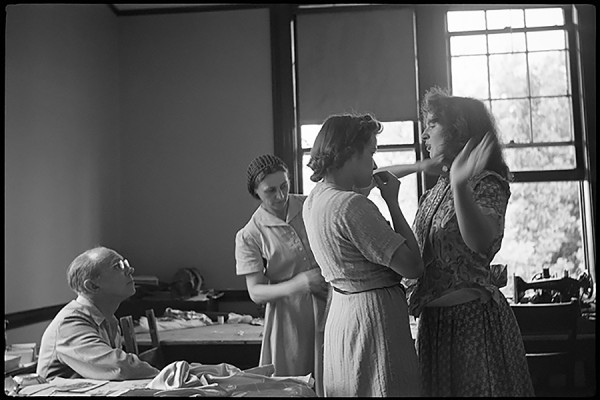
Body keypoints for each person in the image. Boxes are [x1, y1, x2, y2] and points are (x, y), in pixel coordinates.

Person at [385, 87, 534, 396]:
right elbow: (369, 177)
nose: (424, 134)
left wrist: (459, 184)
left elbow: (481, 242)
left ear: (458, 130)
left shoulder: (486, 183)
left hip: (472, 324)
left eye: (433, 123)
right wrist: (418, 168)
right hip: (434, 326)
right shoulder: (435, 191)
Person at [302, 114, 424, 397]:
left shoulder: (315, 200)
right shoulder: (351, 206)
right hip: (372, 319)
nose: (375, 164)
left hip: (343, 314)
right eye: (371, 153)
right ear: (350, 153)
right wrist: (393, 203)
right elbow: (413, 266)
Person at [234, 154, 329, 396]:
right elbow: (255, 292)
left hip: (331, 305)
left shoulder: (311, 205)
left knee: (335, 379)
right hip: (289, 320)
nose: (280, 195)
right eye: (270, 191)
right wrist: (300, 283)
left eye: (284, 186)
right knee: (294, 386)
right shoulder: (250, 235)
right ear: (256, 192)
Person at [37, 246, 160, 380]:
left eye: (125, 264)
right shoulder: (70, 323)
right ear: (92, 286)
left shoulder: (109, 320)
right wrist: (165, 376)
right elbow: (120, 367)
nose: (130, 270)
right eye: (117, 267)